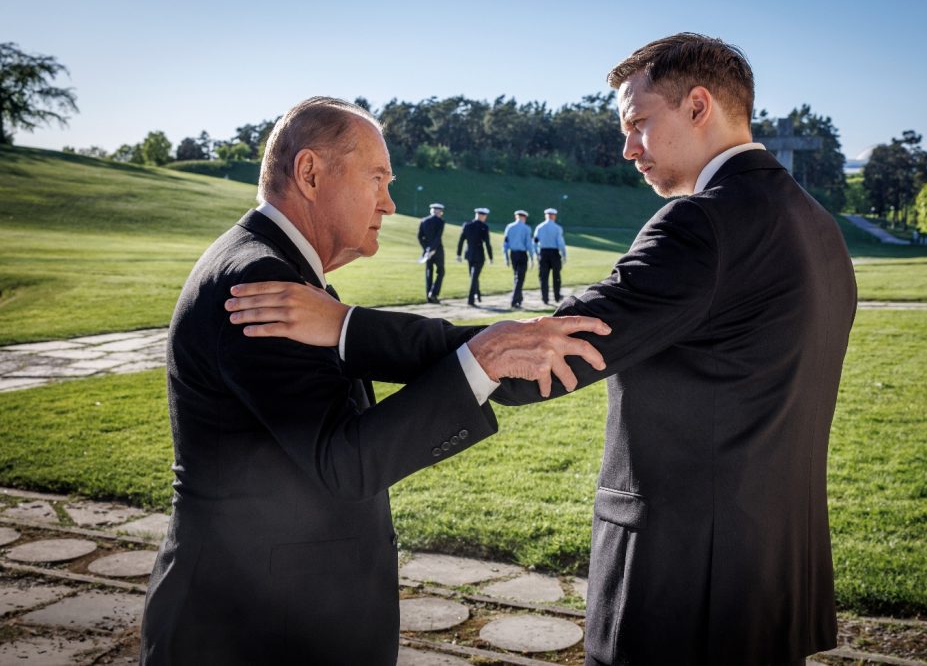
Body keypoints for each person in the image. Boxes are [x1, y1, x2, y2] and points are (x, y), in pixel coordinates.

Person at [234, 34, 858, 665]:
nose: (627, 148)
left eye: (639, 123)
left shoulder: (701, 224)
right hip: (777, 574)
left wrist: (348, 328)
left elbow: (540, 360)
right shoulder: (814, 222)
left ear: (699, 106)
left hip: (686, 581)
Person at [139, 96, 610, 666]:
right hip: (252, 628)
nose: (388, 202)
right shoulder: (259, 280)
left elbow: (358, 366)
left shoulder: (283, 270)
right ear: (310, 173)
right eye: (378, 178)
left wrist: (490, 349)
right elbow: (346, 462)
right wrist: (481, 362)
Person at [456, 207, 493, 307]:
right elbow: (487, 244)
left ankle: (477, 294)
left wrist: (458, 254)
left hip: (469, 255)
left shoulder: (467, 225)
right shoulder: (484, 227)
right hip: (479, 255)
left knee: (473, 276)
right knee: (474, 277)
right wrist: (491, 257)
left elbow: (461, 241)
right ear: (482, 215)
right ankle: (471, 300)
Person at [533, 207, 567, 305]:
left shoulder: (539, 227)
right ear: (554, 216)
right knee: (556, 276)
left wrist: (537, 254)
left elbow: (534, 242)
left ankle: (545, 298)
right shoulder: (557, 228)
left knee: (543, 277)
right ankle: (557, 296)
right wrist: (564, 255)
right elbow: (561, 244)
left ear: (546, 215)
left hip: (543, 253)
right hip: (554, 254)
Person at [502, 209, 533, 308]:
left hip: (513, 254)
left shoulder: (509, 227)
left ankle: (519, 299)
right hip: (522, 254)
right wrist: (532, 257)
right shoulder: (526, 228)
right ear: (524, 217)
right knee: (520, 278)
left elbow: (505, 244)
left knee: (517, 277)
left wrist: (506, 257)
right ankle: (514, 301)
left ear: (516, 216)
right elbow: (529, 245)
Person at [418, 202, 446, 303]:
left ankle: (428, 297)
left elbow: (420, 237)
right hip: (437, 251)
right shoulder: (441, 222)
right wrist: (432, 249)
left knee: (429, 272)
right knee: (441, 272)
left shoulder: (423, 221)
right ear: (439, 211)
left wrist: (427, 249)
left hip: (427, 252)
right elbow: (438, 237)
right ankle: (433, 293)